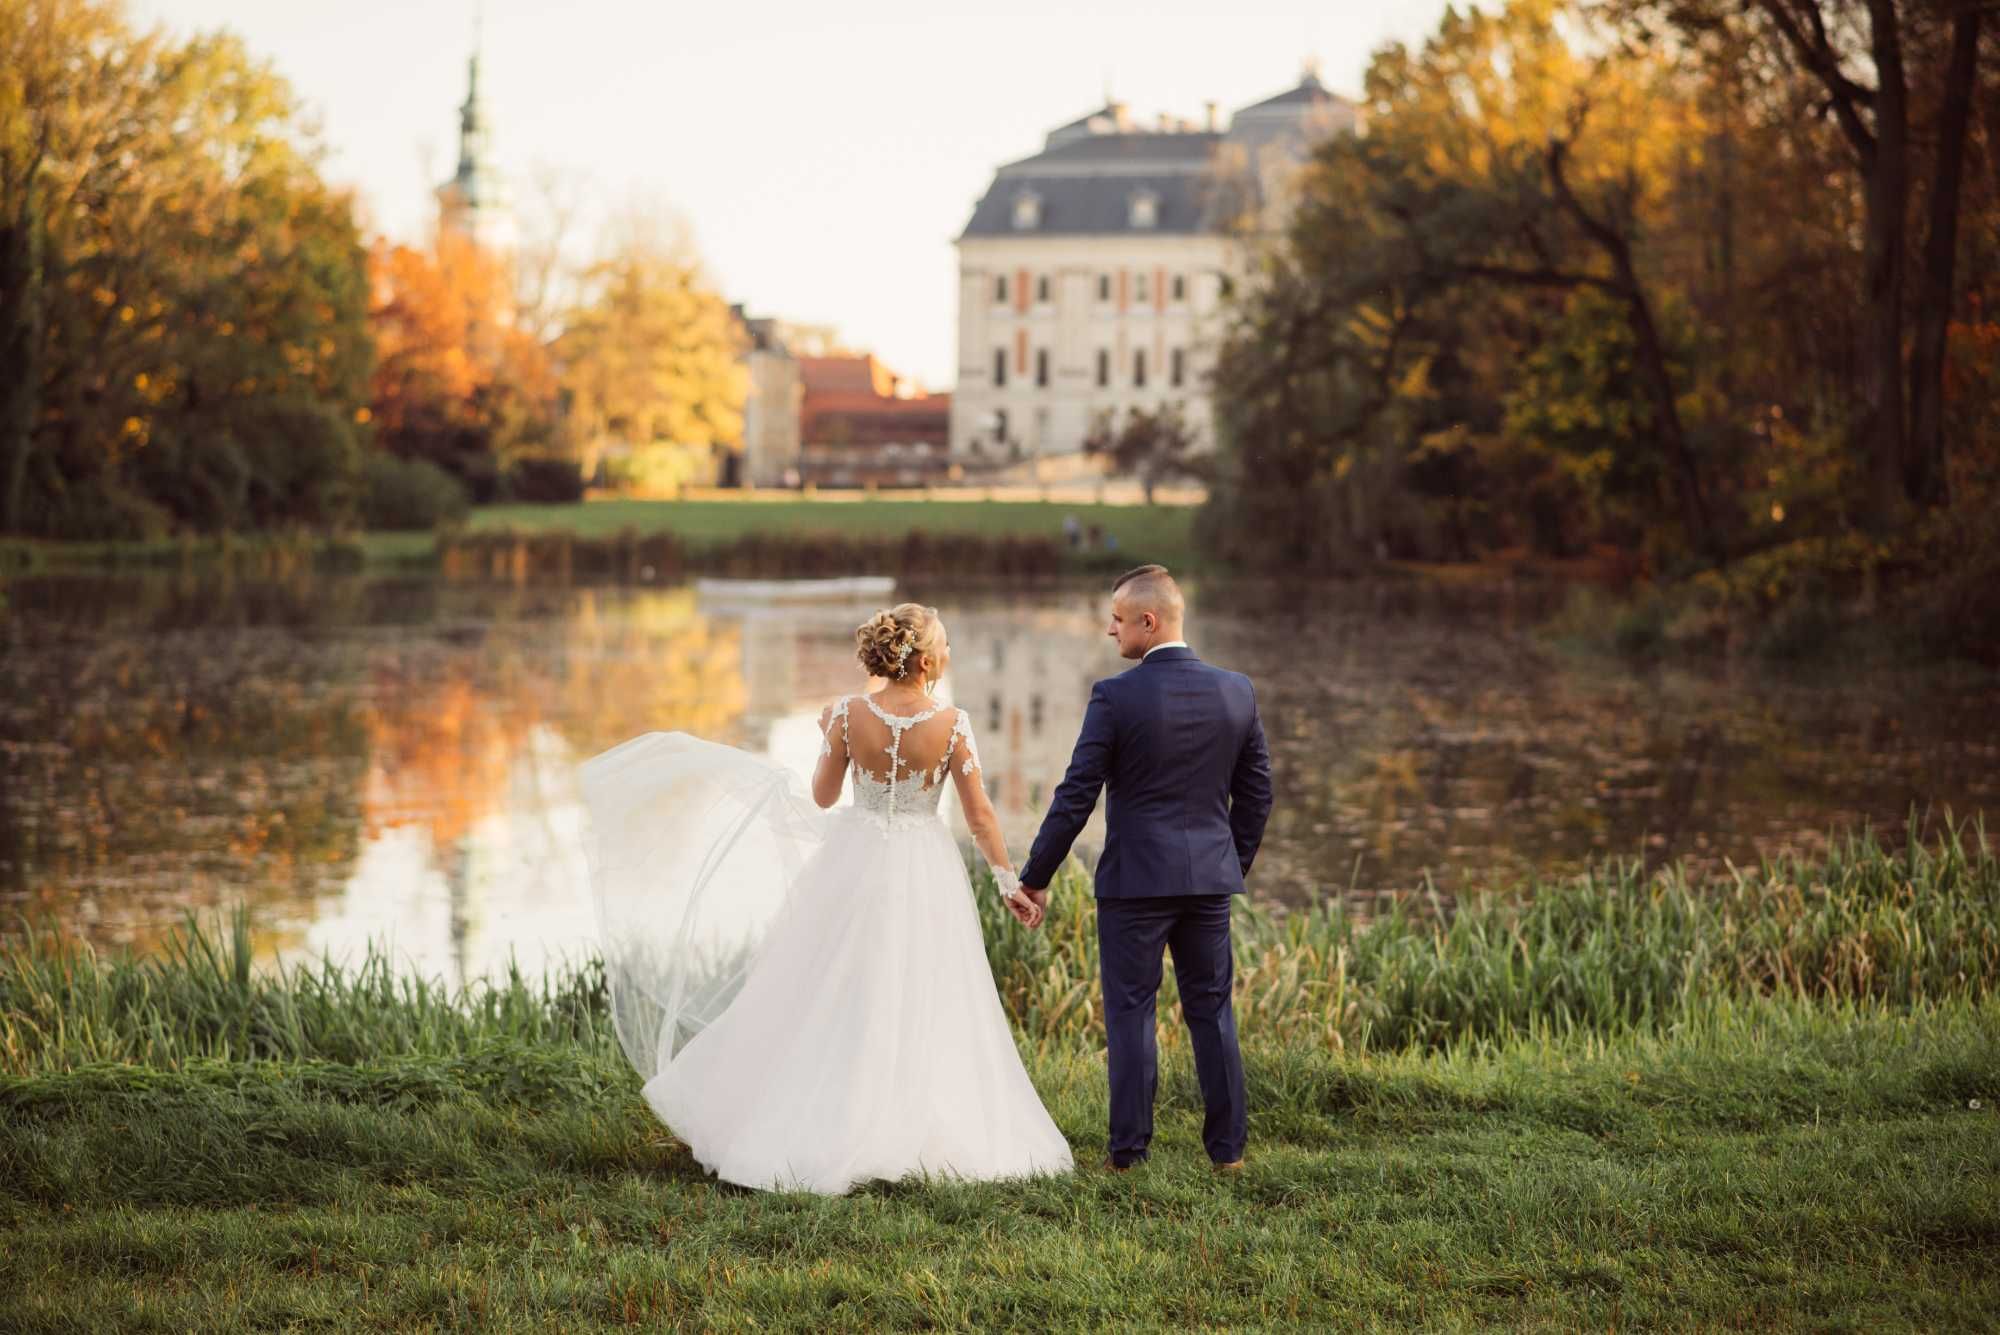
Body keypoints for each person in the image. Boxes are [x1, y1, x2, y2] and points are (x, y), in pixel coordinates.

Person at [577, 603, 1072, 1195]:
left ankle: (827, 1112)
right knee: (923, 984)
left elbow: (821, 795)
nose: (949, 653)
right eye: (943, 644)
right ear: (924, 659)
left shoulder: (845, 714)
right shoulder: (954, 724)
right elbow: (982, 816)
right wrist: (1006, 883)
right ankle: (907, 1118)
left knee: (837, 982)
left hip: (855, 858)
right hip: (923, 866)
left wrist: (825, 740)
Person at [1018, 565, 1273, 1173]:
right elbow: (1257, 793)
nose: (1111, 630)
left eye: (1117, 618)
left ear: (1148, 622)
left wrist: (1035, 877)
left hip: (1135, 885)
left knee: (1132, 1014)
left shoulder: (1115, 697)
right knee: (1212, 1010)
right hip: (1208, 881)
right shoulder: (1236, 689)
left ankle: (1129, 1155)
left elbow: (1076, 794)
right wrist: (1226, 863)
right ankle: (1228, 1153)